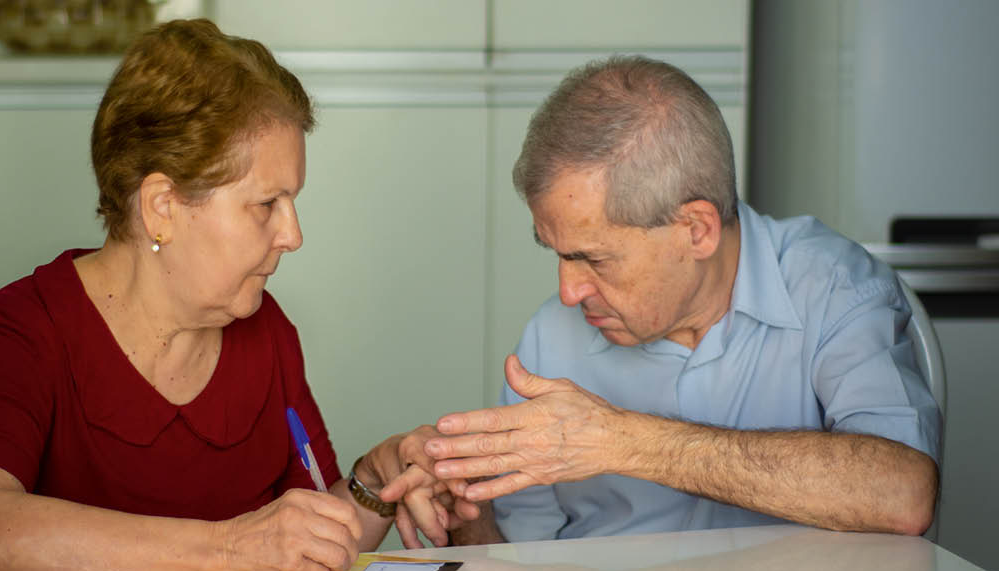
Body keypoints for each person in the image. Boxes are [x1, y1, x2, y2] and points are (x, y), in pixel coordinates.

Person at [0, 19, 458, 571]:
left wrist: (374, 482)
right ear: (162, 206)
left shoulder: (266, 331)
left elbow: (297, 545)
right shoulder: (25, 328)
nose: (293, 235)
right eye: (267, 204)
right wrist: (227, 550)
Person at [383, 56, 941, 545]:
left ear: (696, 230)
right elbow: (518, 563)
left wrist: (620, 441)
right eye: (557, 254)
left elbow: (904, 495)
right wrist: (463, 513)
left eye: (595, 259)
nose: (568, 292)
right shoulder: (549, 339)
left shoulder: (835, 288)